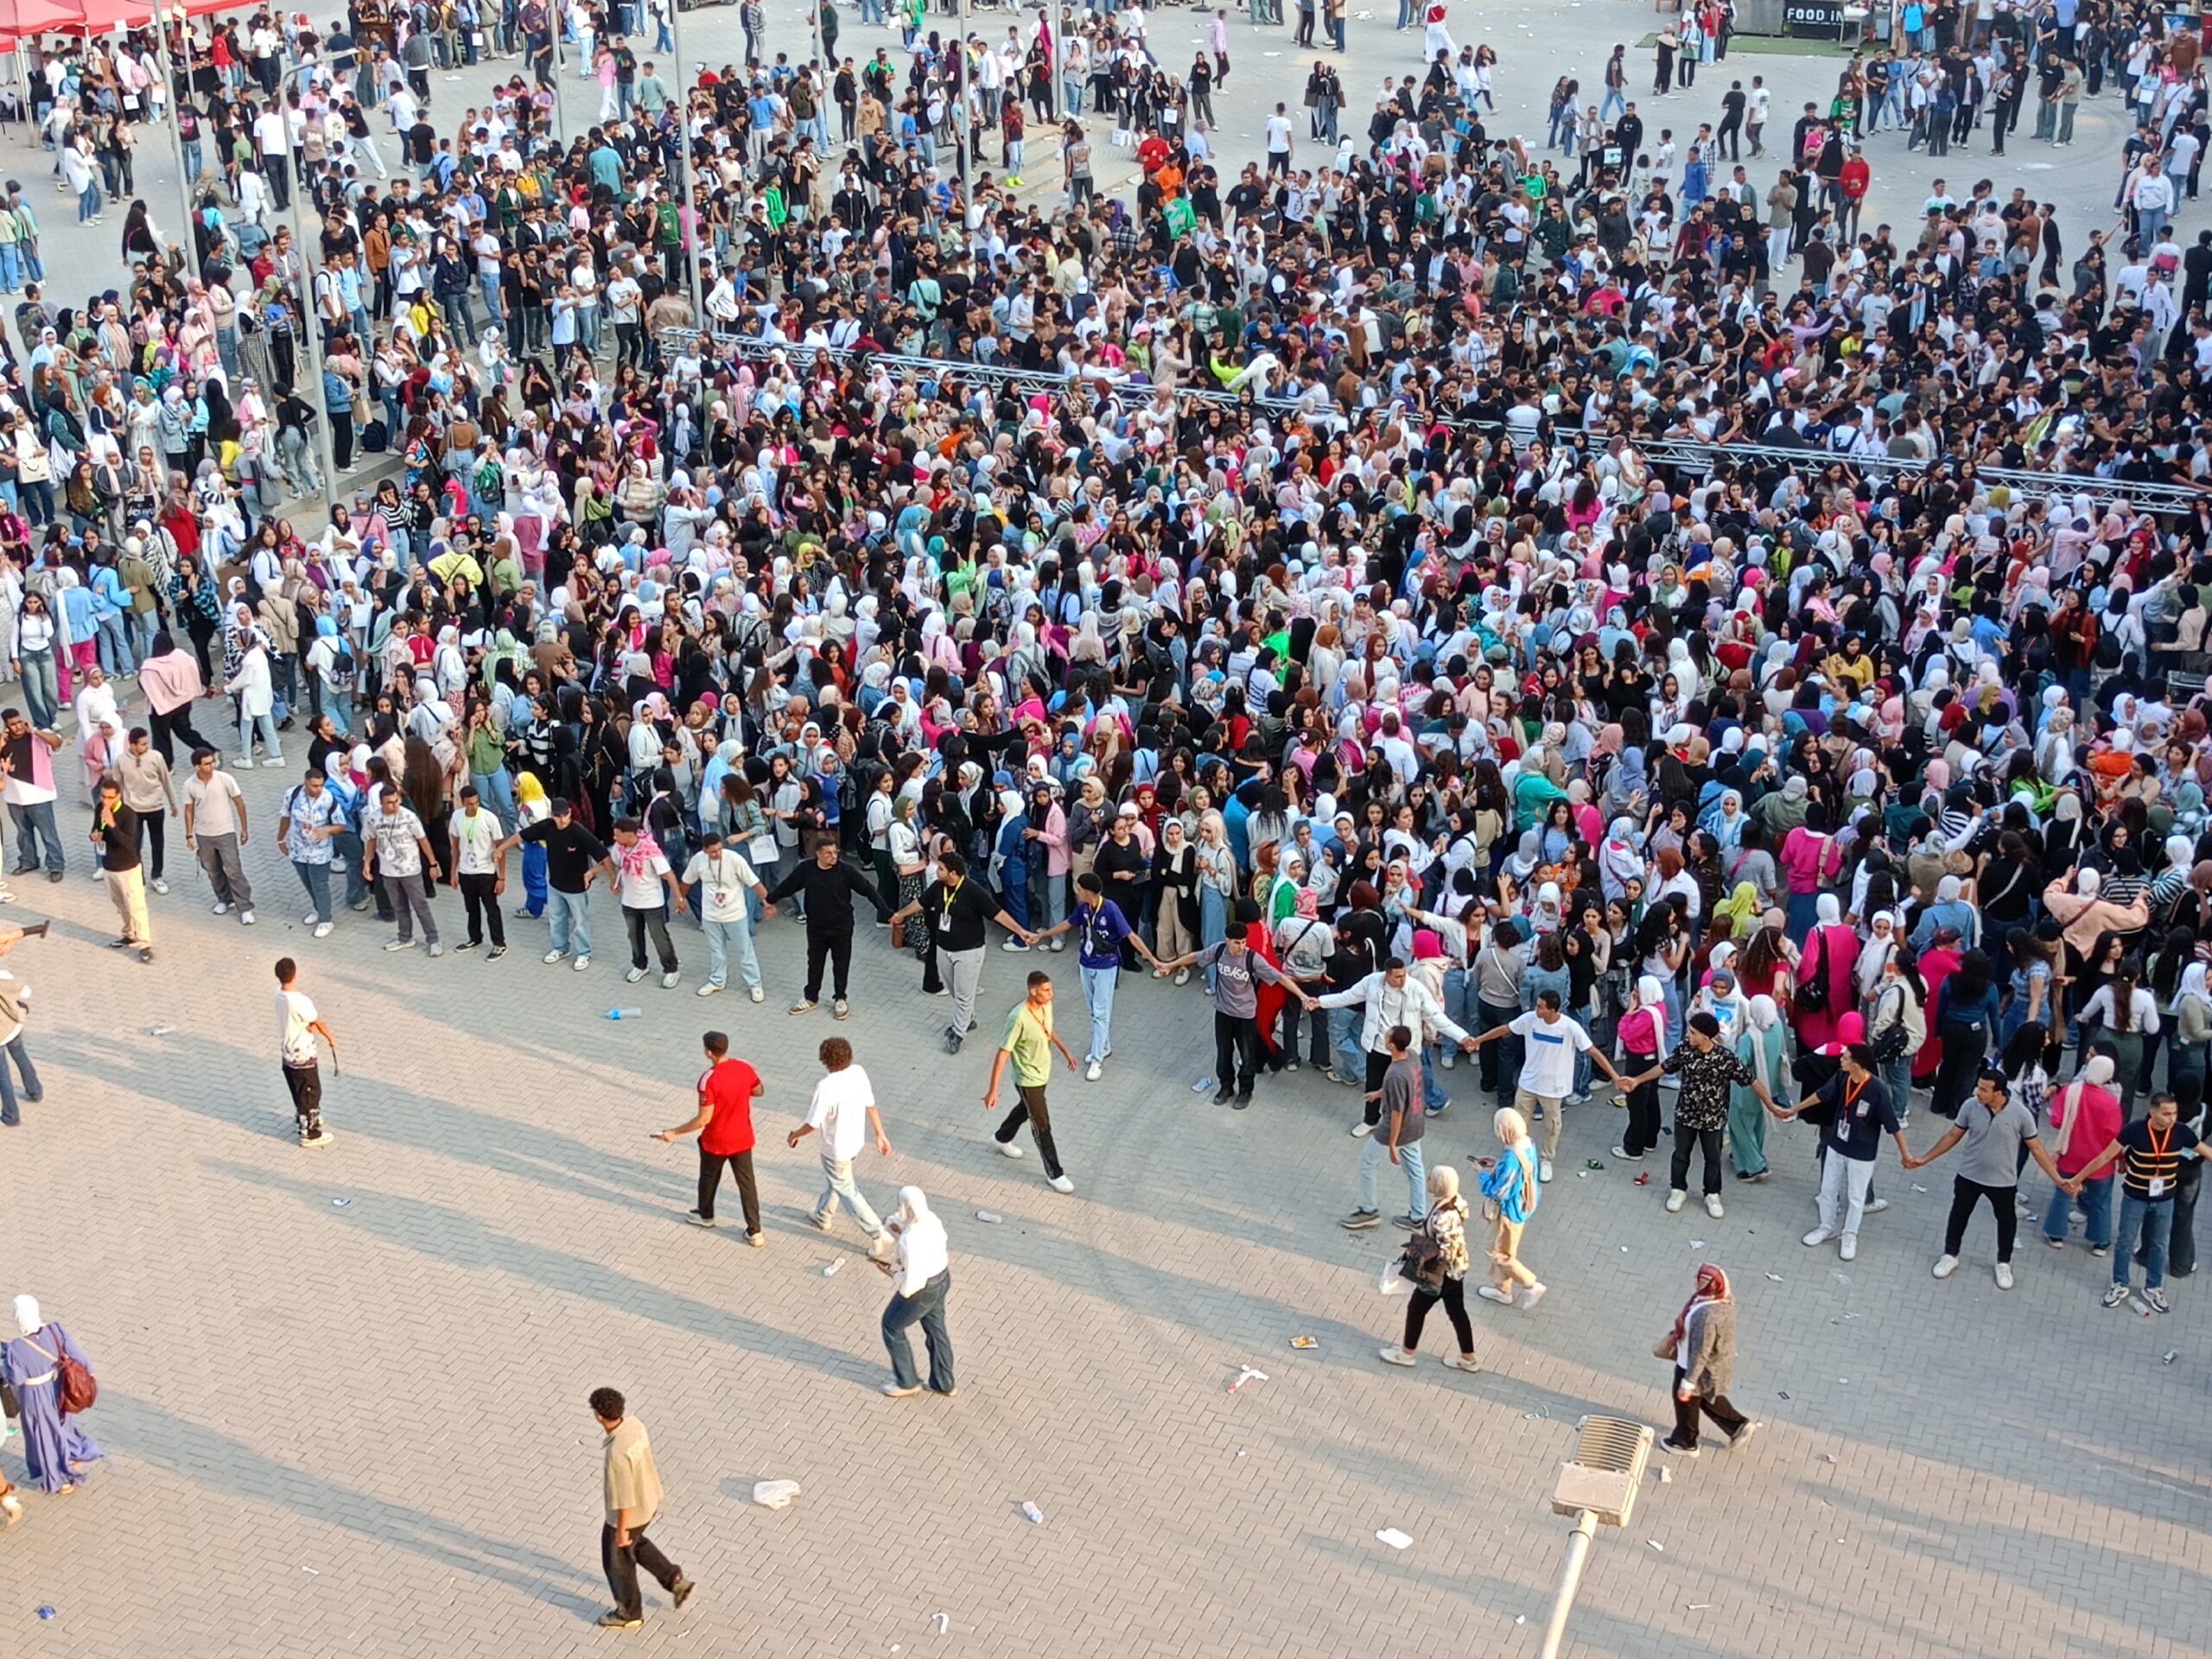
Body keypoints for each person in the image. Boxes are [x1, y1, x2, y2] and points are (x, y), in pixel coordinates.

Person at [1907, 1065, 2067, 1289]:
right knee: (1959, 1215)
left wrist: (2057, 1179)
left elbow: (2037, 1148)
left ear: (1999, 1093)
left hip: (2003, 1181)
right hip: (1969, 1175)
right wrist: (1925, 1159)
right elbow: (1953, 1134)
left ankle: (2004, 1262)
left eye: (1983, 1090)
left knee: (2006, 1221)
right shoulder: (1970, 1107)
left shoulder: (2021, 1114)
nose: (1977, 1092)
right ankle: (1950, 1255)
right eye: (1979, 1087)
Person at [2063, 1091, 2212, 1313]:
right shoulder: (2134, 1130)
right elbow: (2105, 1157)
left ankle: (2153, 1287)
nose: (2172, 1118)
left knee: (2159, 1245)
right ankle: (2119, 1284)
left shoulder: (2181, 1132)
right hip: (2135, 1197)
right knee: (2125, 1242)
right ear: (2153, 1112)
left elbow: (2206, 1151)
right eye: (2167, 1114)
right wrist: (2077, 1179)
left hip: (2165, 1198)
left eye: (2174, 1113)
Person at [1622, 1010, 1779, 1219]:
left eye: (1693, 1032)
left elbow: (1751, 1080)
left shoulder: (1725, 1058)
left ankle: (1712, 1194)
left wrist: (1771, 1105)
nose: (1688, 1035)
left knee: (1712, 1158)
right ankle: (1678, 1190)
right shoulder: (1684, 1050)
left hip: (1713, 1120)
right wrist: (1637, 1080)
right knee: (1680, 1155)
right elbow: (1664, 1067)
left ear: (1706, 1036)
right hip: (1686, 1115)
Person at [1465, 988, 1630, 1184]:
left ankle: (1546, 1160)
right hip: (1528, 1083)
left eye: (1541, 1007)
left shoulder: (1570, 1028)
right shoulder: (1529, 1019)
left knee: (1552, 1126)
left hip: (1554, 1088)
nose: (1536, 1010)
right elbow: (1505, 1029)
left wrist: (1615, 1077)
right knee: (1519, 1123)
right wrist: (1479, 1040)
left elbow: (1593, 1052)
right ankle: (1517, 1156)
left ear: (1553, 1010)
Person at [1775, 1041, 1910, 1262]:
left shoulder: (1876, 1090)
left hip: (1862, 1152)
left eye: (1846, 1058)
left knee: (1856, 1197)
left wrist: (1906, 1155)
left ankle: (1849, 1235)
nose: (1841, 1059)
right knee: (1827, 1189)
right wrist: (1794, 1110)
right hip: (1837, 1143)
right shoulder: (1842, 1078)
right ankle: (1826, 1227)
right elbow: (1820, 1095)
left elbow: (1892, 1125)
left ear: (1857, 1064)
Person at [1164, 914, 1319, 1108]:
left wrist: (1303, 996)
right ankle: (1226, 1087)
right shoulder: (1218, 951)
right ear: (1227, 940)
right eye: (1237, 943)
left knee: (1247, 1057)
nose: (1241, 947)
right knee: (1223, 1054)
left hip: (1246, 1017)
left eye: (1244, 942)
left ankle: (1246, 1091)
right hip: (1223, 1014)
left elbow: (1279, 977)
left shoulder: (1253, 959)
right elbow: (1196, 956)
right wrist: (1170, 965)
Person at [886, 848, 1031, 1052]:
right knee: (954, 989)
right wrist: (901, 914)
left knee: (963, 994)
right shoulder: (938, 887)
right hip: (943, 948)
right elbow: (920, 903)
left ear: (953, 873)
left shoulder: (973, 892)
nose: (937, 872)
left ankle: (958, 1033)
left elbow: (997, 914)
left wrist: (1020, 931)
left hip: (969, 951)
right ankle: (968, 1018)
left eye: (941, 869)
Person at [1028, 870, 1162, 1078]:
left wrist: (1154, 961)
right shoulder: (1083, 907)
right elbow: (1069, 923)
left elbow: (1131, 936)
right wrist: (1043, 935)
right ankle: (1104, 1045)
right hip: (1086, 963)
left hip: (1106, 967)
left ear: (1088, 892)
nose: (1077, 891)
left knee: (1101, 1012)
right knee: (1094, 1010)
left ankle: (1097, 1060)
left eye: (1080, 889)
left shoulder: (1110, 910)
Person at [588, 1385, 696, 1630]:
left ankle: (629, 1614)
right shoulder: (635, 1426)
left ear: (599, 1416)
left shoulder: (616, 1453)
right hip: (649, 1499)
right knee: (636, 1545)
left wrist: (622, 1530)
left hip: (629, 1514)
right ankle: (675, 1580)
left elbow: (624, 1499)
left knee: (618, 1563)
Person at [657, 1029, 765, 1246]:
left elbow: (703, 1119)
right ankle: (755, 1231)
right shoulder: (744, 1067)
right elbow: (759, 1091)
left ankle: (705, 1215)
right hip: (742, 1137)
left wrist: (674, 1132)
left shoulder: (709, 1080)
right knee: (747, 1183)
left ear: (708, 1052)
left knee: (708, 1177)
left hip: (716, 1140)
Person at [786, 1035, 893, 1251]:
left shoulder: (826, 1087)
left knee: (846, 1189)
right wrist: (880, 1134)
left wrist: (794, 1135)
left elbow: (813, 1124)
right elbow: (871, 1106)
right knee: (837, 1181)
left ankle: (876, 1232)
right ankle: (823, 1215)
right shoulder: (858, 1072)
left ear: (824, 1060)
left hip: (836, 1149)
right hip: (855, 1142)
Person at [982, 969, 1081, 1192]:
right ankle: (1055, 1173)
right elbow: (1003, 1053)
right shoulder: (1017, 1018)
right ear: (1032, 991)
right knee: (1042, 1125)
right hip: (1027, 1079)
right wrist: (993, 1090)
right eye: (1046, 991)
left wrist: (1064, 1050)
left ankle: (1001, 1137)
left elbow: (1047, 1027)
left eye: (1051, 990)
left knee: (1026, 1109)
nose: (1051, 994)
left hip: (1043, 1072)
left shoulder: (1046, 1006)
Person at [1377, 1164, 1482, 1374]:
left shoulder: (1442, 1217)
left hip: (1442, 1274)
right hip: (1458, 1270)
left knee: (1416, 1308)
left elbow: (1445, 1249)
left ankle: (1407, 1353)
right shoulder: (1455, 1202)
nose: (1428, 1181)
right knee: (1456, 1311)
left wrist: (1418, 1253)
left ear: (1440, 1185)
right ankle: (1468, 1358)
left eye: (1431, 1179)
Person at [767, 839, 883, 1019]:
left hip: (841, 927)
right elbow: (789, 885)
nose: (834, 856)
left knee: (841, 963)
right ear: (818, 854)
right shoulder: (806, 870)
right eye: (828, 853)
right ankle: (811, 997)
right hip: (816, 927)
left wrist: (885, 910)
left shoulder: (845, 871)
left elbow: (867, 889)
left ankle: (840, 998)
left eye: (835, 852)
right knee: (814, 963)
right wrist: (770, 899)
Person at [1655, 1265, 1758, 1457]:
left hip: (1695, 1367)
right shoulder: (1721, 1300)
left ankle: (1685, 1441)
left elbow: (1700, 1351)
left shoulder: (1706, 1315)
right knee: (1705, 1398)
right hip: (1712, 1365)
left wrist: (1688, 1381)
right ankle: (1738, 1426)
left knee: (1686, 1400)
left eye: (1700, 1279)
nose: (1694, 1280)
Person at [0, 1296, 100, 1494]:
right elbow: (81, 1358)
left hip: (34, 1398)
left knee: (44, 1437)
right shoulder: (56, 1330)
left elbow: (16, 1380)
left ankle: (60, 1480)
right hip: (59, 1389)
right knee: (63, 1428)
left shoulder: (16, 1349)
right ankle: (73, 1454)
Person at [503, 796, 609, 970]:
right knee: (556, 919)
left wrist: (608, 877)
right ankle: (560, 948)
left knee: (580, 922)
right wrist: (500, 849)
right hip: (555, 885)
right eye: (558, 816)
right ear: (552, 815)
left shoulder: (578, 832)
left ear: (570, 814)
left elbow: (604, 856)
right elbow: (521, 836)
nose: (562, 820)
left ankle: (584, 953)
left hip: (576, 888)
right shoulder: (547, 827)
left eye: (565, 816)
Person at [1344, 1023, 1433, 1230]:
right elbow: (1404, 1089)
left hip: (1396, 1129)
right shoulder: (1412, 1056)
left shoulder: (1394, 1074)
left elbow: (1396, 1113)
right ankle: (1418, 1215)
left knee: (1368, 1162)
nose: (1384, 1039)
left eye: (1387, 1038)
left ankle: (1369, 1210)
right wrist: (1380, 1093)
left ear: (1392, 1046)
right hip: (1416, 1123)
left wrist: (1392, 1145)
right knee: (1415, 1169)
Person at [877, 1185, 956, 1398]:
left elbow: (912, 1283)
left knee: (891, 1327)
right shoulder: (931, 1219)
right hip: (942, 1278)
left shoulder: (910, 1240)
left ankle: (907, 1381)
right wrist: (891, 1223)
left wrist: (892, 1273)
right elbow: (906, 1222)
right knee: (936, 1330)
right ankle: (944, 1382)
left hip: (922, 1290)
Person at [2042, 1052, 2122, 1255]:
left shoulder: (2070, 1091)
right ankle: (2100, 1241)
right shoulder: (2110, 1102)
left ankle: (2056, 1234)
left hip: (2069, 1156)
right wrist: (2120, 1159)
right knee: (2101, 1202)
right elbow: (2114, 1136)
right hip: (2099, 1163)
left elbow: (2056, 1121)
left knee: (2062, 1195)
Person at [683, 828, 774, 1001]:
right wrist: (680, 899)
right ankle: (717, 980)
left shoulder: (735, 859)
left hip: (735, 914)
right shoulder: (698, 860)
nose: (717, 854)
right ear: (704, 850)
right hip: (710, 915)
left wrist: (767, 902)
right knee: (716, 950)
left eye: (719, 849)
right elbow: (687, 881)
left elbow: (754, 882)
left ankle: (755, 984)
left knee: (745, 950)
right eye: (712, 852)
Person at [1474, 1106, 1546, 1310]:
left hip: (1510, 1212)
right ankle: (1502, 1289)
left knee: (1502, 1255)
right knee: (1503, 1249)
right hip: (1524, 1204)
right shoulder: (1527, 1143)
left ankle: (1530, 1284)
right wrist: (1497, 1164)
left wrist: (1482, 1174)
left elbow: (1499, 1192)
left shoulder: (1511, 1158)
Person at [363, 781, 442, 956]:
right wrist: (367, 862)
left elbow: (423, 840)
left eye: (396, 801)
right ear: (381, 803)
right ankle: (404, 937)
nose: (394, 805)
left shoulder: (409, 817)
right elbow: (371, 841)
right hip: (388, 870)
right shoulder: (373, 819)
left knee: (420, 905)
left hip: (410, 870)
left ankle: (433, 939)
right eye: (389, 802)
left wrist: (432, 864)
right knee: (398, 906)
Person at [605, 816, 684, 988]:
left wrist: (679, 898)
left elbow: (669, 874)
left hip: (652, 902)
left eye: (618, 835)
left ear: (629, 834)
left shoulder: (650, 851)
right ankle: (640, 965)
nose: (615, 838)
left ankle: (671, 969)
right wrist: (613, 880)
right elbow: (613, 863)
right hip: (629, 901)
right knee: (634, 936)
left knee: (659, 936)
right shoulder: (619, 849)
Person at [181, 747, 253, 923]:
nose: (211, 766)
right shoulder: (189, 785)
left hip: (226, 831)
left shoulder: (225, 779)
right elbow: (189, 810)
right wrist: (189, 835)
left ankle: (245, 907)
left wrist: (244, 829)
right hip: (203, 834)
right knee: (212, 870)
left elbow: (239, 803)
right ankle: (224, 899)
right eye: (206, 764)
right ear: (197, 767)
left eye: (212, 762)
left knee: (233, 870)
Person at [276, 767, 346, 939]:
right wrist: (280, 839)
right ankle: (318, 908)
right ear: (306, 782)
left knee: (320, 884)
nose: (319, 789)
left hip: (320, 851)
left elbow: (341, 825)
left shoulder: (328, 798)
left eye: (321, 785)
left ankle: (326, 919)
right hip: (298, 848)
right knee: (307, 881)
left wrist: (326, 830)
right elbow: (285, 816)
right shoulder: (292, 794)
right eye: (314, 786)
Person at [90, 773, 153, 963]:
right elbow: (96, 829)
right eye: (103, 796)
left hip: (128, 867)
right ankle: (129, 933)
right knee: (120, 903)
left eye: (110, 797)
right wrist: (95, 835)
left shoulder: (128, 814)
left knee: (136, 906)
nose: (105, 801)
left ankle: (145, 944)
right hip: (110, 866)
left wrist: (112, 825)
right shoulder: (100, 808)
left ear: (118, 796)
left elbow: (129, 843)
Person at [274, 956, 336, 1146]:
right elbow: (317, 1020)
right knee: (311, 1091)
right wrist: (330, 1038)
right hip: (303, 1053)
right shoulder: (299, 1000)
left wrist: (312, 1027)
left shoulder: (279, 994)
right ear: (295, 975)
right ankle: (310, 1132)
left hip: (288, 1051)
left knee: (298, 1089)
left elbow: (303, 1022)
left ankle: (302, 1116)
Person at [1, 706, 68, 882]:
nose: (17, 727)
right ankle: (28, 861)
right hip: (13, 796)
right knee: (23, 832)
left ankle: (55, 865)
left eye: (19, 722)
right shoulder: (4, 742)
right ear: (6, 726)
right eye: (12, 725)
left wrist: (36, 731)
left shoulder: (37, 738)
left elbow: (57, 742)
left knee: (48, 833)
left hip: (39, 795)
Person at [450, 784, 509, 958]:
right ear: (462, 803)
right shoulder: (457, 817)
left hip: (486, 872)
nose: (474, 807)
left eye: (476, 802)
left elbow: (501, 848)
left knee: (491, 909)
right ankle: (475, 938)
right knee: (471, 908)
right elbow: (455, 846)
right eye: (469, 804)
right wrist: (453, 871)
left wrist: (502, 877)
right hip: (466, 871)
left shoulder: (489, 818)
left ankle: (499, 943)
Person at [0, 925, 44, 1127]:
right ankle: (35, 1091)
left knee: (3, 1075)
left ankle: (11, 1115)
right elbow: (26, 993)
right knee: (20, 1056)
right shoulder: (5, 977)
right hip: (14, 1025)